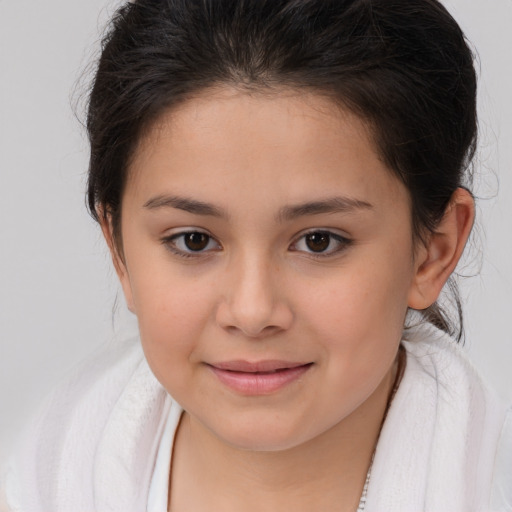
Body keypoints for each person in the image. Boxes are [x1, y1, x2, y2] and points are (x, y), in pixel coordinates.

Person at [2, 0, 511, 510]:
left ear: (433, 252)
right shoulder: (45, 479)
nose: (251, 312)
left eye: (319, 241)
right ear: (119, 250)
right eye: (193, 240)